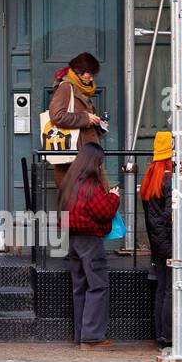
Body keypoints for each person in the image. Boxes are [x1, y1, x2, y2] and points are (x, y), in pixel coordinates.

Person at [59, 143, 121, 349]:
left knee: (80, 287)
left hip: (73, 239)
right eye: (101, 162)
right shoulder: (91, 186)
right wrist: (114, 196)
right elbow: (103, 212)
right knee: (98, 285)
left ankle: (81, 335)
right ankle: (92, 337)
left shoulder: (70, 183)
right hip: (90, 240)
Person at [140, 131, 182, 352]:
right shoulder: (170, 180)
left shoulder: (151, 177)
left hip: (159, 245)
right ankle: (172, 339)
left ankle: (163, 336)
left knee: (163, 289)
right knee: (173, 290)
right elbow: (170, 217)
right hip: (172, 245)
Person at [48, 52, 104, 190]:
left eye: (93, 74)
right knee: (77, 203)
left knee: (90, 202)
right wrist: (85, 118)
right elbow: (57, 115)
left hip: (86, 156)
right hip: (74, 157)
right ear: (79, 71)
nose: (91, 78)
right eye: (89, 73)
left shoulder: (81, 90)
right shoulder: (66, 87)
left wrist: (98, 124)